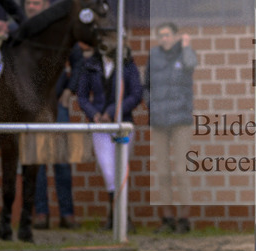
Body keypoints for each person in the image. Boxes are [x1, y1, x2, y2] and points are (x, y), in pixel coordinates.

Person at [23, 0, 80, 230]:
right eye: (29, 3)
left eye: (36, 3)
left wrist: (68, 92)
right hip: (32, 109)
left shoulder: (60, 31)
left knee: (62, 163)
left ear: (46, 6)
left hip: (58, 108)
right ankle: (41, 215)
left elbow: (78, 62)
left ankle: (67, 214)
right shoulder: (22, 34)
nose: (32, 7)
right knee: (36, 163)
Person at [75, 39, 143, 230]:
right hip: (100, 128)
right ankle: (116, 216)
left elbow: (135, 94)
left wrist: (112, 112)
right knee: (108, 170)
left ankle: (120, 218)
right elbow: (82, 96)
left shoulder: (128, 65)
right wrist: (94, 114)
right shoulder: (91, 65)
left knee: (121, 169)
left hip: (122, 125)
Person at [145, 22, 198, 233]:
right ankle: (167, 219)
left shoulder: (185, 53)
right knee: (163, 173)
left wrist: (185, 46)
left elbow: (190, 65)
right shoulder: (154, 56)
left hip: (180, 122)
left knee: (182, 171)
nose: (163, 39)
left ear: (175, 36)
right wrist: (151, 104)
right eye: (161, 35)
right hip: (158, 122)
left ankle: (184, 219)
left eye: (167, 35)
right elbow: (145, 85)